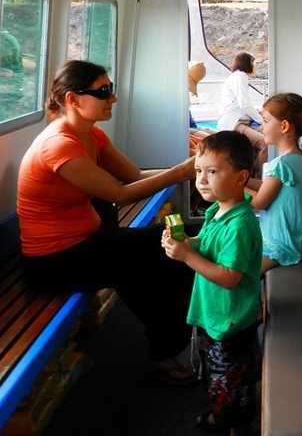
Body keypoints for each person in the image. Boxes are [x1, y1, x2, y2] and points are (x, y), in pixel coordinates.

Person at [17, 60, 196, 384]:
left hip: (87, 242)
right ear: (73, 99)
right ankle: (169, 349)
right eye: (103, 92)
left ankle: (172, 341)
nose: (112, 99)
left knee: (173, 249)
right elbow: (120, 194)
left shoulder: (92, 136)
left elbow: (136, 177)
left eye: (110, 90)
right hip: (55, 261)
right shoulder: (59, 145)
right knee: (158, 259)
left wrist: (195, 170)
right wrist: (180, 172)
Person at [162, 131, 263, 432]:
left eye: (213, 172)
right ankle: (221, 413)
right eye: (198, 171)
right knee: (214, 373)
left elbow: (230, 277)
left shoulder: (240, 225)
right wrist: (185, 243)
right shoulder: (215, 211)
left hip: (230, 322)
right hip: (213, 316)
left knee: (230, 380)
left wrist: (186, 257)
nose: (202, 180)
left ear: (240, 177)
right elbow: (204, 245)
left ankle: (232, 422)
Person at [249, 93, 302, 273]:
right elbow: (268, 188)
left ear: (284, 126)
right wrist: (245, 181)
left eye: (266, 121)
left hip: (280, 245)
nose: (262, 128)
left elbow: (259, 202)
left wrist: (234, 188)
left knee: (240, 276)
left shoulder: (281, 165)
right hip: (297, 239)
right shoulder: (298, 157)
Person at [216, 51, 267, 175]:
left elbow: (242, 104)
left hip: (236, 121)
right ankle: (259, 180)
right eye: (254, 63)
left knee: (256, 144)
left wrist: (258, 113)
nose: (255, 67)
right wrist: (262, 120)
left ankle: (252, 175)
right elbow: (244, 104)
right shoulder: (240, 76)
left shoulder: (236, 76)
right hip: (233, 123)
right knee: (265, 144)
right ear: (247, 63)